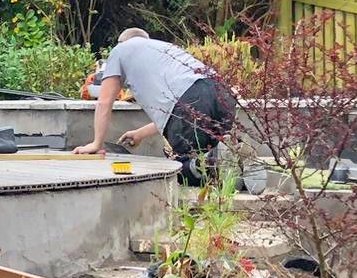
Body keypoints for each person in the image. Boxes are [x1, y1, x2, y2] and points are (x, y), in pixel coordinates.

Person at [73, 28, 236, 185]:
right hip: (221, 93)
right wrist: (140, 134)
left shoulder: (120, 50)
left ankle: (207, 162)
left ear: (122, 42)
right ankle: (233, 162)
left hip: (190, 101)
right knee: (220, 172)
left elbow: (104, 101)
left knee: (180, 171)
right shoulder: (163, 48)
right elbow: (173, 113)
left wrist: (96, 144)